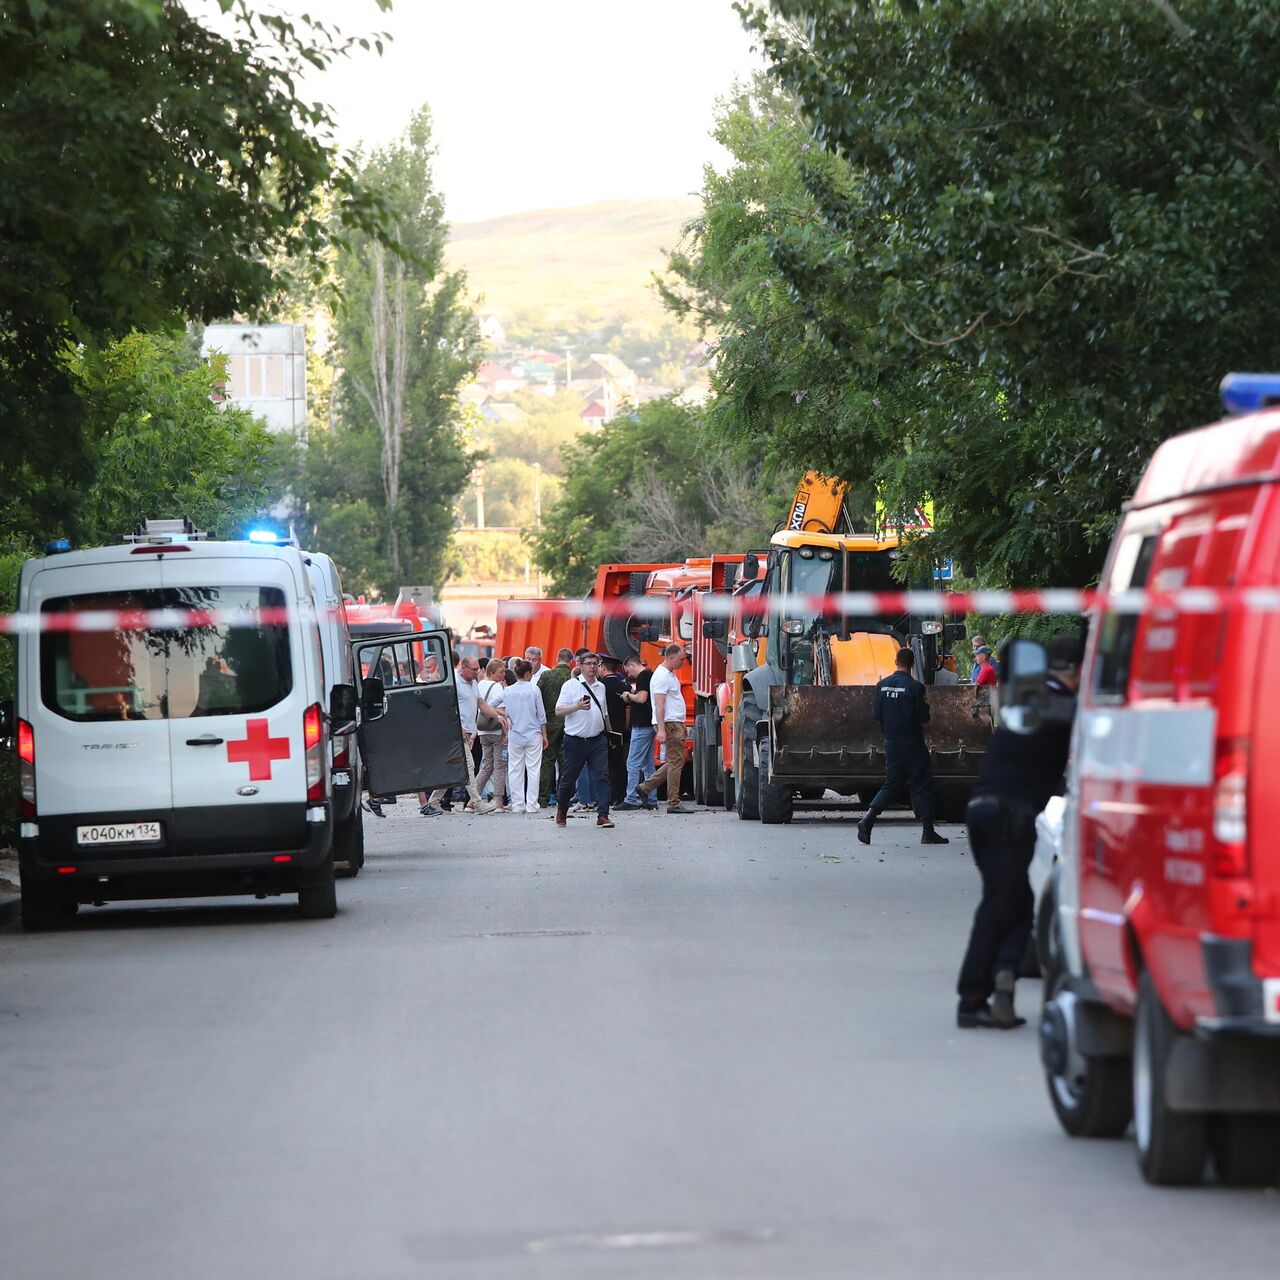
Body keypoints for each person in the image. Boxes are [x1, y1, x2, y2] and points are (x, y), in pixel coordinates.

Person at [956, 633, 1082, 1030]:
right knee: (999, 905)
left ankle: (1004, 979)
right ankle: (973, 998)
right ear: (1073, 672)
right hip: (1010, 817)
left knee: (1016, 901)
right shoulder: (1064, 706)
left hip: (983, 812)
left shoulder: (1023, 700)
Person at [857, 647, 949, 846]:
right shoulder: (916, 688)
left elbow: (877, 715)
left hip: (891, 743)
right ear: (913, 663)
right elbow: (924, 717)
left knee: (891, 785)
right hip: (913, 743)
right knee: (923, 784)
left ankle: (868, 819)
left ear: (896, 661)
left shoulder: (881, 686)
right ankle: (928, 832)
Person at [420, 655, 505, 816]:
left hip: (463, 733)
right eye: (473, 670)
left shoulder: (473, 683)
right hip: (454, 732)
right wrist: (458, 727)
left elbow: (481, 704)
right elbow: (446, 708)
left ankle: (433, 802)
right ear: (463, 668)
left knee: (451, 768)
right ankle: (478, 803)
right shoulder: (454, 683)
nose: (477, 672)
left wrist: (497, 716)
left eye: (478, 669)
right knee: (468, 766)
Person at [554, 652, 615, 828]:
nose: (592, 667)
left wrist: (610, 734)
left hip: (597, 740)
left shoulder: (600, 687)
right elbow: (558, 711)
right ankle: (562, 810)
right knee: (569, 778)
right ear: (580, 665)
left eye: (595, 664)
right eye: (588, 664)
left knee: (602, 776)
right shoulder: (570, 685)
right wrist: (577, 706)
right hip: (575, 740)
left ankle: (603, 815)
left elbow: (604, 713)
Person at [635, 644, 693, 815]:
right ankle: (673, 803)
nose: (683, 662)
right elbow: (659, 704)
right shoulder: (661, 676)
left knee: (676, 761)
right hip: (669, 723)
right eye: (681, 659)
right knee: (676, 762)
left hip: (673, 722)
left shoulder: (668, 674)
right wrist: (661, 728)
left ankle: (645, 787)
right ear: (671, 657)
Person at [503, 659, 547, 813]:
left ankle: (517, 804)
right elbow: (541, 715)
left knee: (515, 770)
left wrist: (505, 715)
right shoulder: (534, 690)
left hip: (515, 735)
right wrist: (545, 735)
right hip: (533, 734)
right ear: (528, 673)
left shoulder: (507, 690)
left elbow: (493, 704)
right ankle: (532, 804)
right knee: (534, 769)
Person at [617, 654, 656, 810]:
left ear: (632, 665)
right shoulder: (649, 675)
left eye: (628, 671)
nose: (628, 675)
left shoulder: (644, 676)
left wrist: (628, 695)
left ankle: (630, 799)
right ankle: (651, 799)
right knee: (648, 764)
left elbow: (641, 698)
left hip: (641, 726)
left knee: (632, 763)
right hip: (648, 725)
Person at [538, 647, 574, 806]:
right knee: (566, 762)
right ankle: (564, 798)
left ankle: (542, 798)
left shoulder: (546, 675)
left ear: (557, 659)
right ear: (571, 661)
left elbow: (537, 698)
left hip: (549, 723)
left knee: (547, 761)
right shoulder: (573, 678)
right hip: (569, 723)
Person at [475, 658, 510, 812]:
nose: (504, 674)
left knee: (486, 765)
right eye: (501, 671)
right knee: (499, 766)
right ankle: (498, 801)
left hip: (482, 730)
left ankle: (473, 800)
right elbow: (502, 709)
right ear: (492, 672)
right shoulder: (497, 687)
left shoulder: (480, 684)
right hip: (496, 729)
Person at [599, 655, 630, 805]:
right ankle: (621, 794)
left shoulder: (600, 686)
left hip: (605, 729)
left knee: (607, 765)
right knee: (620, 763)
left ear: (603, 667)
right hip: (621, 730)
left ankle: (610, 795)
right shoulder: (623, 685)